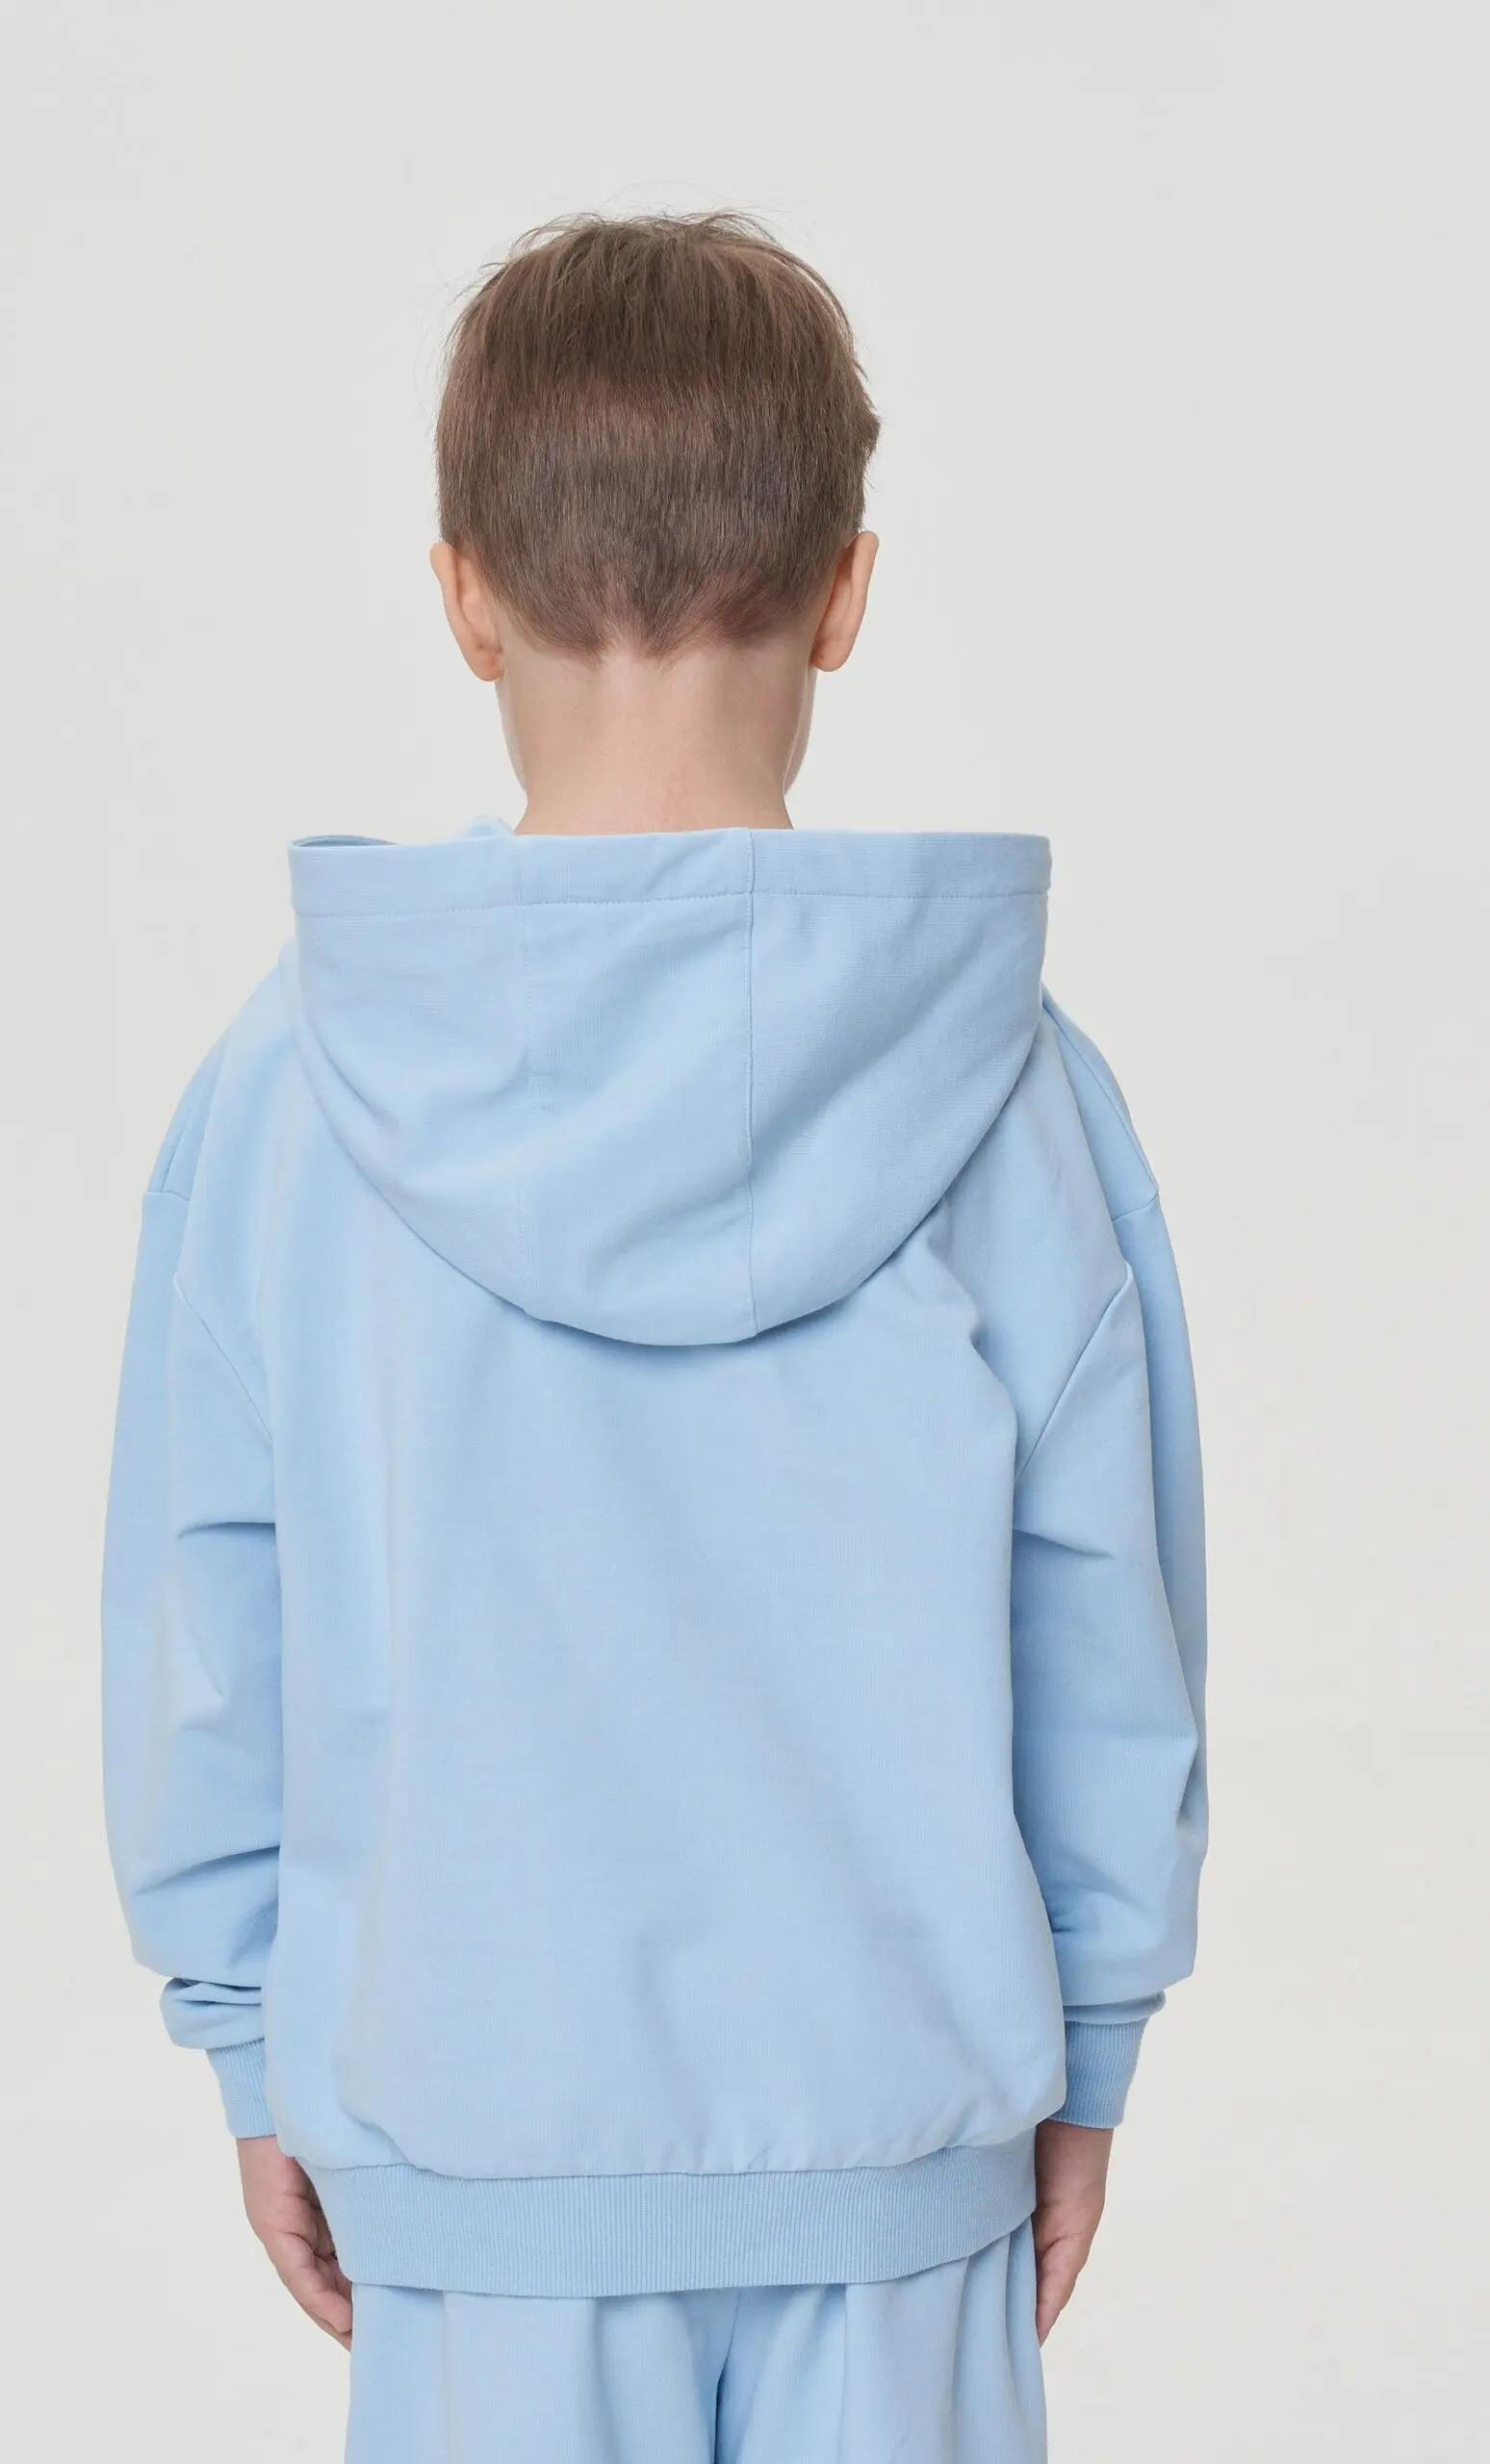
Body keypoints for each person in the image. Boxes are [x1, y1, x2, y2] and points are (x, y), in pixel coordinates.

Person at [102, 211, 1206, 2463]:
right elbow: (1107, 1611)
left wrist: (247, 2027)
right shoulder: (1010, 1086)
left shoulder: (290, 1086)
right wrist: (1088, 2038)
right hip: (894, 2149)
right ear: (843, 591)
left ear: (460, 595)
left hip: (469, 2144)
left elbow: (214, 1608)